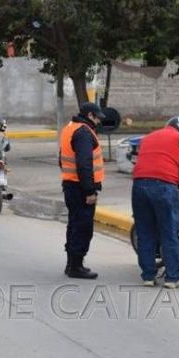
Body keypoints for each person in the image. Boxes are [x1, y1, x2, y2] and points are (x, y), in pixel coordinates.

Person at [131, 116, 179, 289]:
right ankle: (172, 278)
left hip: (139, 186)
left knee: (145, 232)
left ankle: (148, 276)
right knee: (168, 232)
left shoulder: (147, 138)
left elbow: (139, 161)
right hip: (163, 187)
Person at [59, 103, 106, 279]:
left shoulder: (69, 128)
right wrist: (89, 191)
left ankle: (71, 263)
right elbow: (84, 164)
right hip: (80, 188)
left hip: (70, 184)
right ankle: (76, 266)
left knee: (74, 224)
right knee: (83, 227)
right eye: (97, 117)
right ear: (90, 115)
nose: (99, 121)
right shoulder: (84, 133)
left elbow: (61, 158)